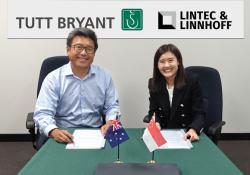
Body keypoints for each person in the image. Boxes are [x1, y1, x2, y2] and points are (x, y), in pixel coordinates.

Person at [34, 28, 120, 149]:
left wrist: (111, 121)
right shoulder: (53, 78)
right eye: (79, 47)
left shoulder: (104, 76)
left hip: (96, 131)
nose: (84, 53)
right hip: (63, 132)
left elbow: (112, 106)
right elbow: (43, 113)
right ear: (68, 50)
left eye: (89, 49)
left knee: (119, 152)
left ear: (94, 53)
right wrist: (53, 130)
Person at [146, 44, 205, 141]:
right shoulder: (153, 83)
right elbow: (154, 111)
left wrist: (193, 129)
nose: (166, 65)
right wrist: (156, 122)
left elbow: (199, 112)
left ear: (178, 62)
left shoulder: (191, 81)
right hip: (163, 134)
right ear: (157, 65)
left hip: (186, 133)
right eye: (162, 61)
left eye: (170, 60)